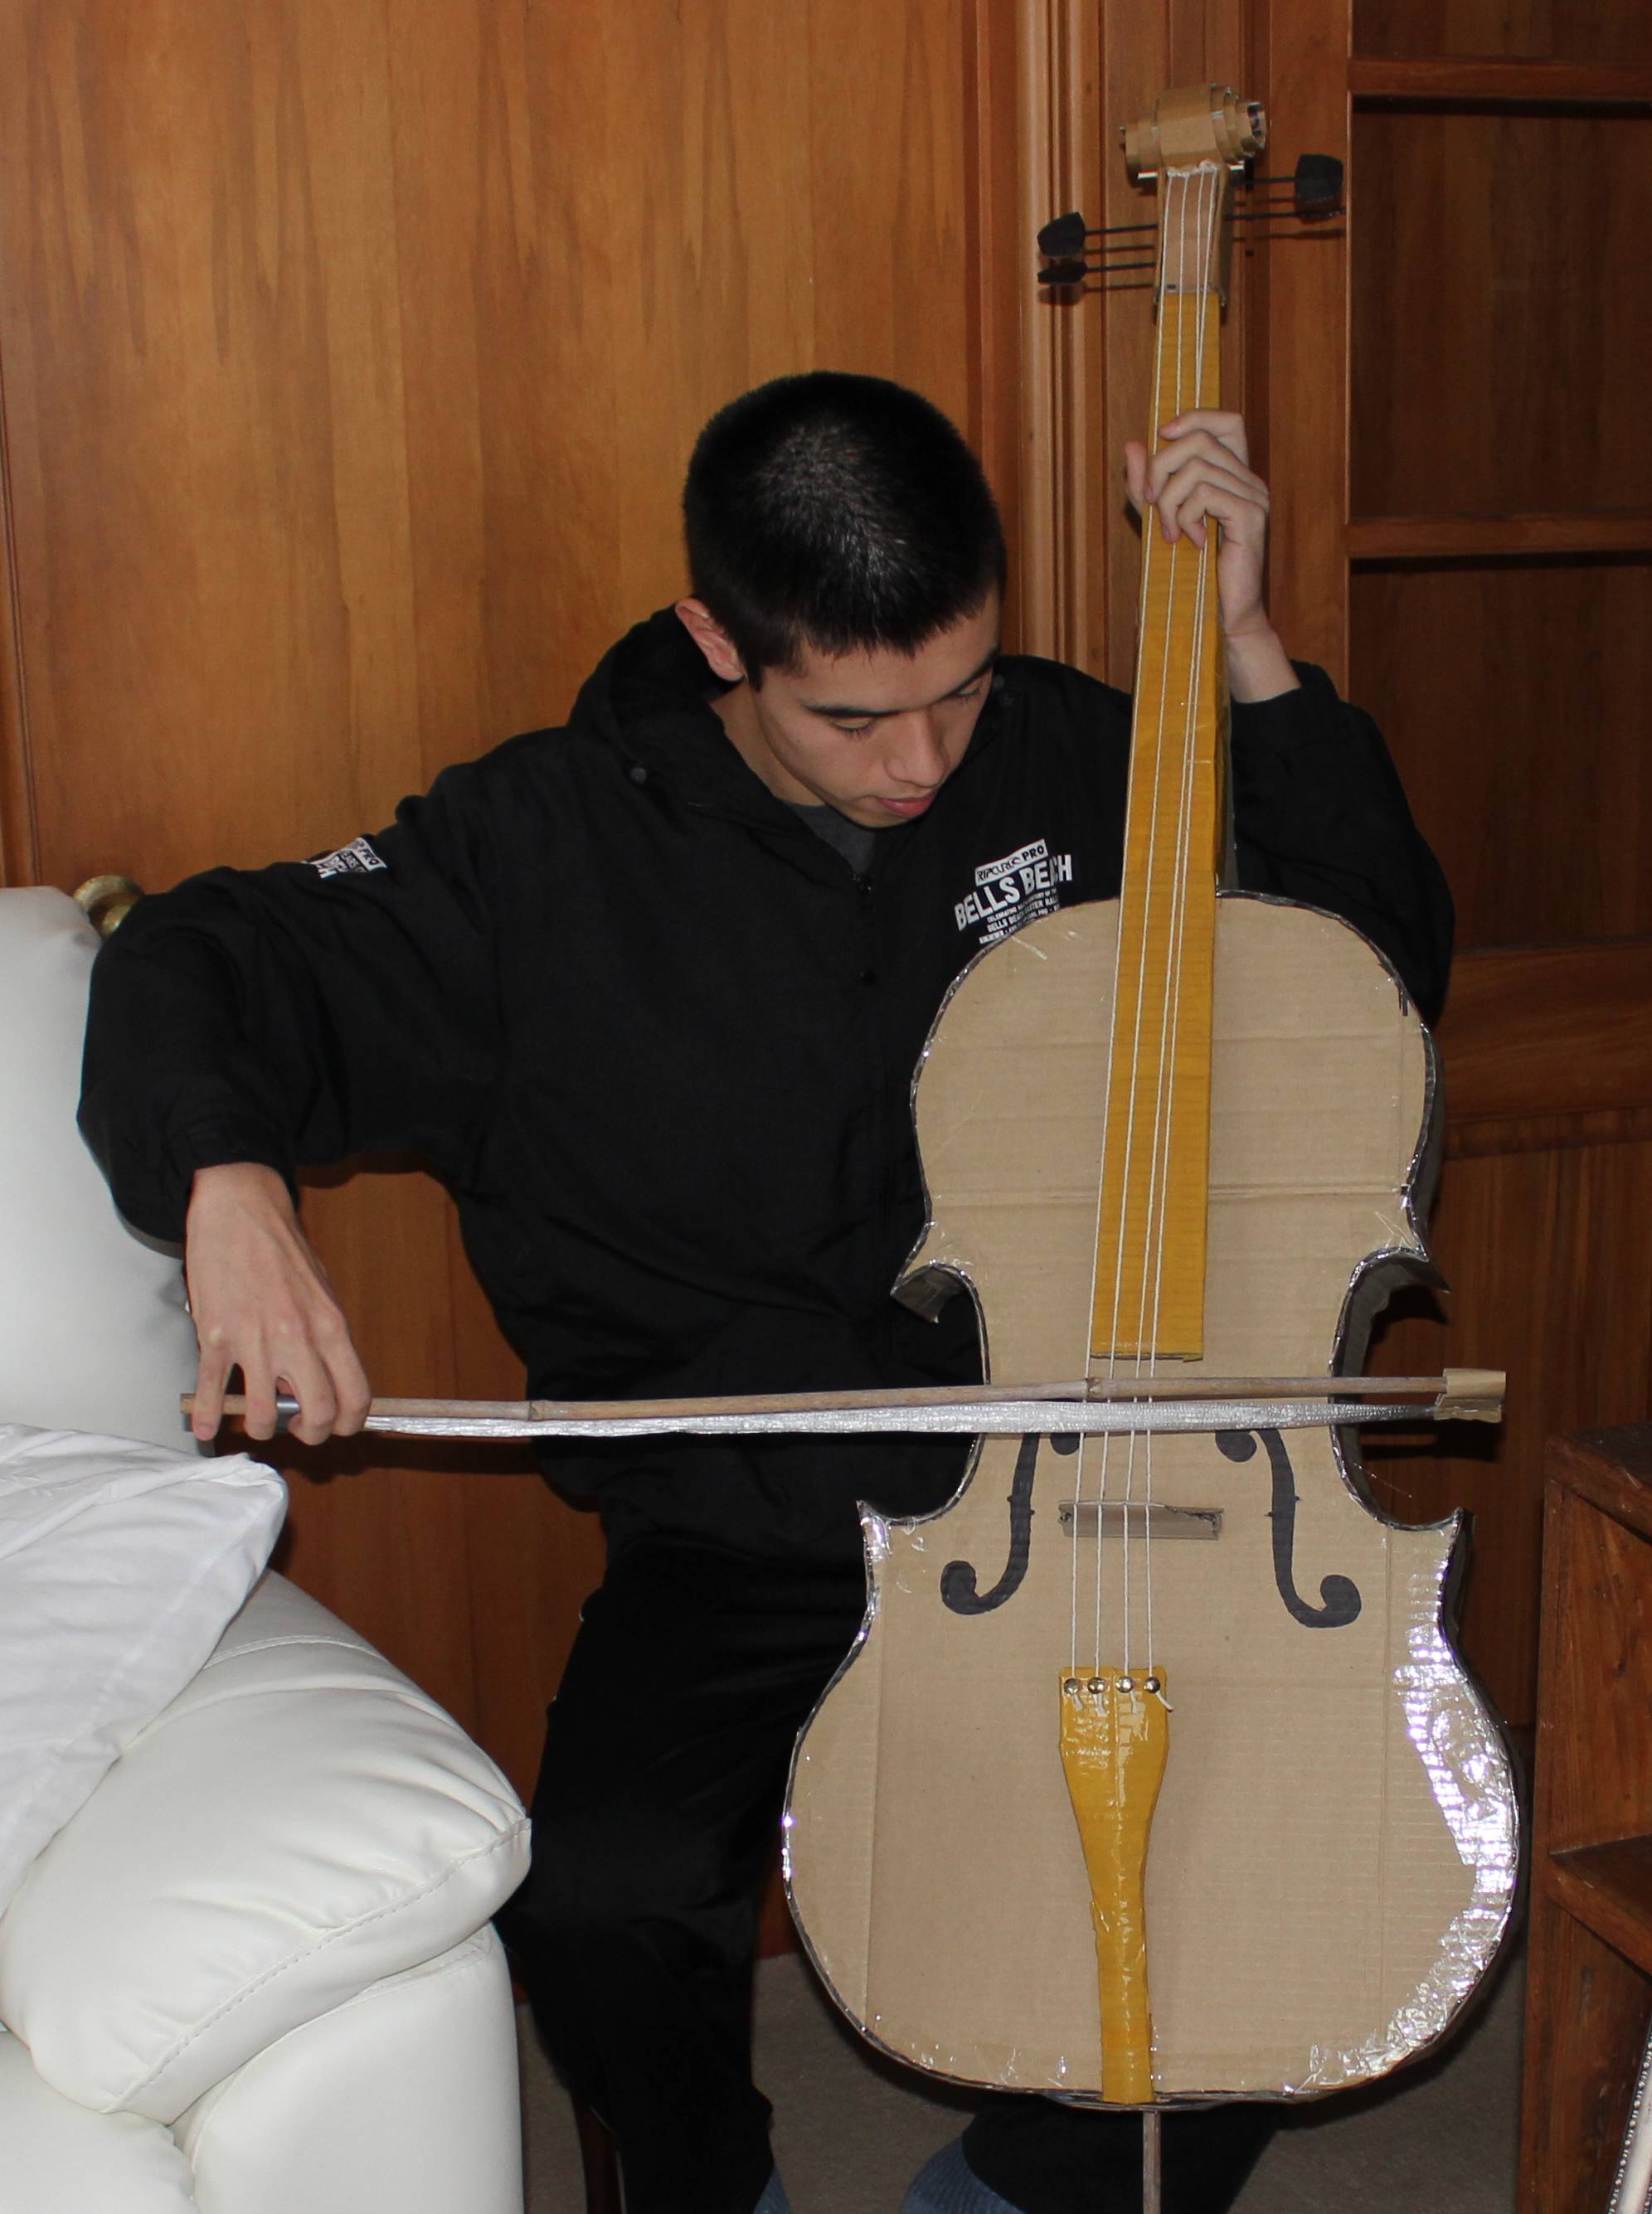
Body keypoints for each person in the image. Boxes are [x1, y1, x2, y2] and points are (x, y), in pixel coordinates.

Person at [80, 371, 1451, 2214]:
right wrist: (226, 1183)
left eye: (960, 688)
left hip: (1084, 1486)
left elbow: (1370, 967)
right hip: (743, 1525)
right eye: (856, 714)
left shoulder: (1067, 755)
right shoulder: (541, 850)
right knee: (599, 1896)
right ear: (719, 637)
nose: (925, 762)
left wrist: (1254, 645)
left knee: (1285, 1905)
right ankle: (722, 2193)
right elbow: (200, 952)